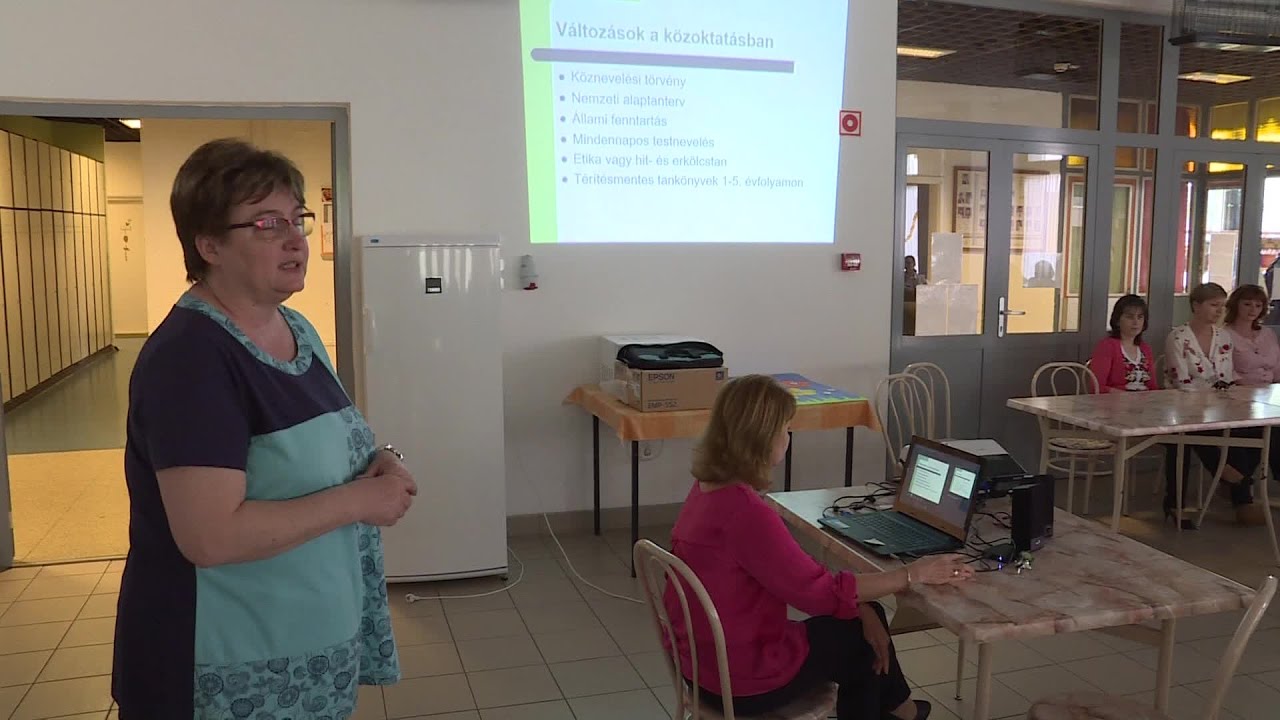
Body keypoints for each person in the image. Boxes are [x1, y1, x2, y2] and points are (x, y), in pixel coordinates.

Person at [112, 139, 417, 718]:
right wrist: (359, 500)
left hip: (304, 645)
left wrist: (377, 458)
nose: (295, 238)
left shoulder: (296, 328)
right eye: (266, 223)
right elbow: (211, 538)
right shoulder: (191, 358)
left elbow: (314, 449)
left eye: (297, 218)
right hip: (226, 665)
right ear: (208, 245)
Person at [665, 375, 974, 720]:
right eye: (786, 429)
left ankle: (900, 710)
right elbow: (820, 593)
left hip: (700, 664)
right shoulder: (746, 513)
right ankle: (899, 711)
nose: (788, 437)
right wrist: (912, 574)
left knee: (865, 614)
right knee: (859, 644)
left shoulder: (706, 489)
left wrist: (860, 605)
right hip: (741, 680)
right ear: (762, 437)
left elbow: (794, 571)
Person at [1163, 282, 1262, 527]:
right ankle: (1228, 480)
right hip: (1181, 406)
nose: (1219, 311)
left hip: (1217, 405)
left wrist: (1223, 401)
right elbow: (1180, 380)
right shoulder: (1178, 337)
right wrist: (1207, 400)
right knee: (1186, 436)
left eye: (1221, 306)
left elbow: (1225, 376)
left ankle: (1234, 486)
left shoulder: (1223, 337)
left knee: (1250, 429)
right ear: (1196, 306)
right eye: (1213, 305)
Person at [1088, 294, 1157, 393]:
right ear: (1117, 320)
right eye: (1130, 317)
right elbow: (1096, 387)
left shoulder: (1145, 348)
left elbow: (1153, 387)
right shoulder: (1107, 346)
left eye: (1140, 317)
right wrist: (1124, 396)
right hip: (1115, 401)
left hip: (1145, 401)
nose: (1135, 322)